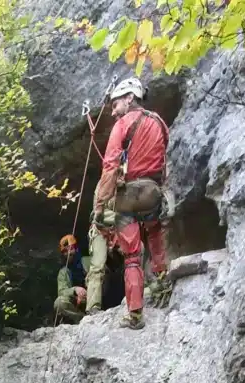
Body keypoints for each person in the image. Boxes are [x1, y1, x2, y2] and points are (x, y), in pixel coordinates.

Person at [92, 76, 171, 330]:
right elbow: (163, 162)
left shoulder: (123, 125)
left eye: (116, 105)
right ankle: (163, 287)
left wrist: (100, 207)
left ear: (129, 98)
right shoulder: (160, 123)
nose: (114, 112)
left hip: (127, 198)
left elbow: (110, 167)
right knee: (156, 235)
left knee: (132, 257)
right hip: (152, 191)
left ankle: (136, 315)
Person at [53, 234, 89, 324]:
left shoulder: (88, 261)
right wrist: (75, 290)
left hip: (92, 296)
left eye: (71, 248)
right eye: (65, 251)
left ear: (76, 248)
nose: (69, 253)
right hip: (76, 301)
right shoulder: (63, 272)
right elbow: (61, 292)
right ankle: (83, 319)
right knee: (59, 302)